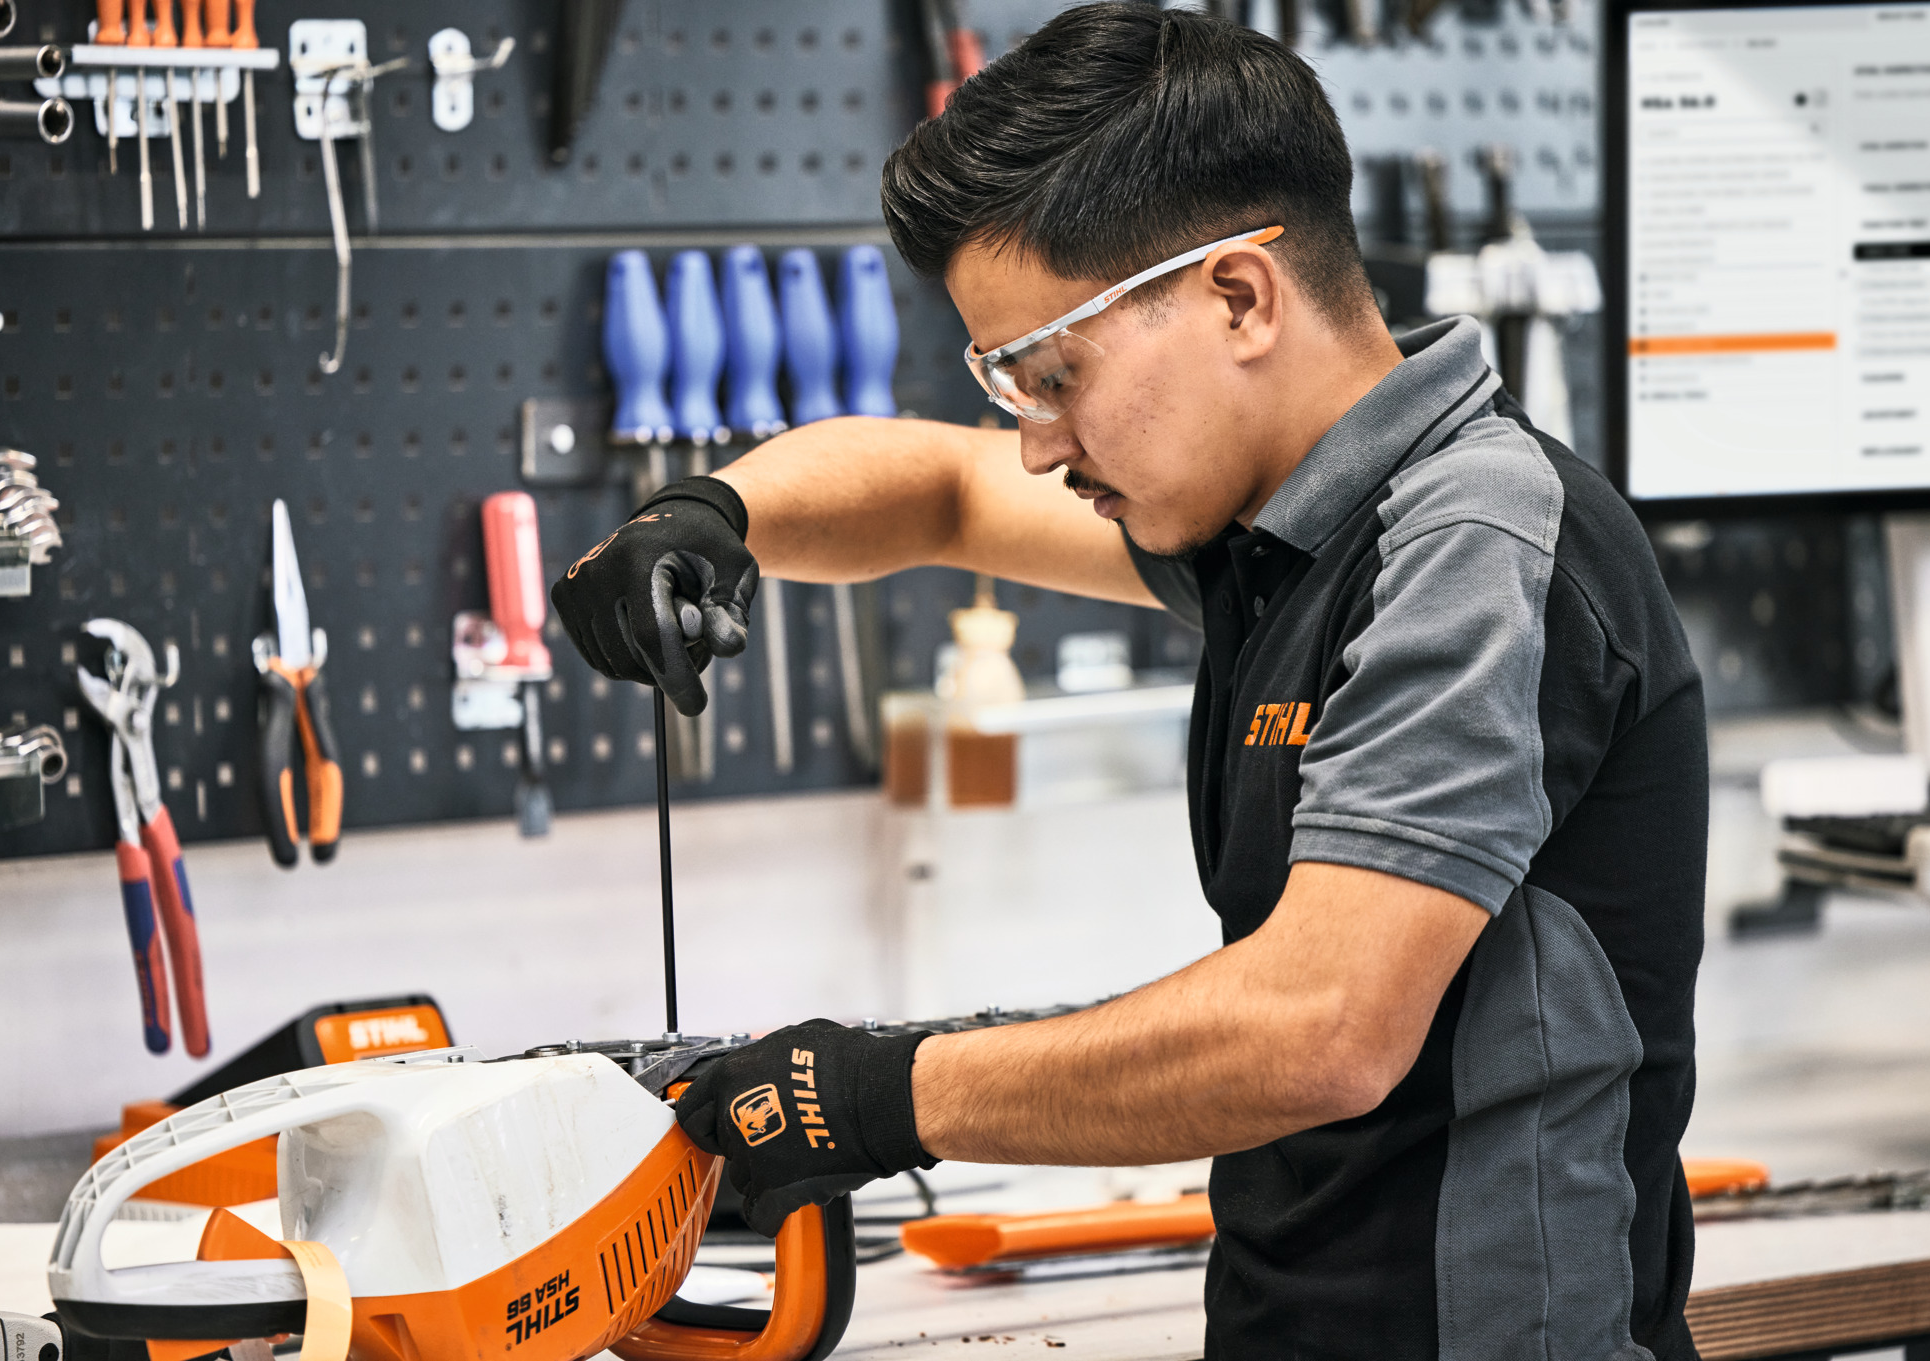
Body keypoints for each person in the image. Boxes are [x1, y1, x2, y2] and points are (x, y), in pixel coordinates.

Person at [550, 6, 1706, 1356]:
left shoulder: (1471, 544)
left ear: (1237, 296)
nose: (1038, 445)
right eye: (1007, 381)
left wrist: (874, 1092)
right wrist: (709, 514)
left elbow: (1316, 1028)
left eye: (1056, 374)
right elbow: (939, 488)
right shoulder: (1280, 527)